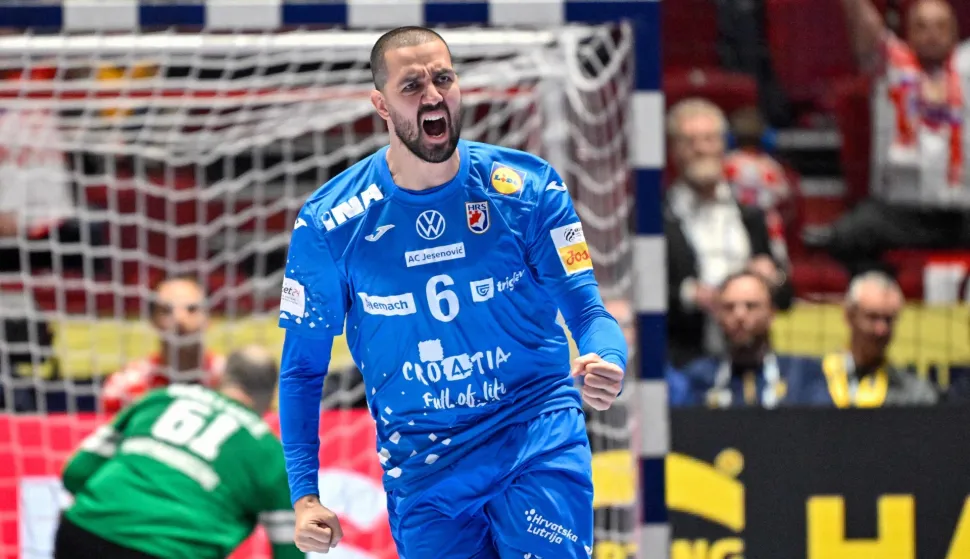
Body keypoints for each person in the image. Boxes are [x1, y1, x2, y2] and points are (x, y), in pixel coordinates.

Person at [277, 26, 627, 559]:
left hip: (533, 433)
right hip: (424, 463)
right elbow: (302, 369)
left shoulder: (526, 189)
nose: (434, 95)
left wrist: (606, 355)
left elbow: (587, 310)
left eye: (443, 78)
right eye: (412, 86)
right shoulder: (331, 224)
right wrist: (304, 495)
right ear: (381, 104)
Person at [55, 345, 303, 559]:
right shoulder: (271, 453)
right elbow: (291, 549)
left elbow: (75, 472)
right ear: (272, 397)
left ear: (220, 378)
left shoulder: (160, 399)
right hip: (172, 550)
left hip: (83, 531)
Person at [101, 275, 225, 413]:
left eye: (192, 309)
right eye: (167, 310)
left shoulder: (229, 381)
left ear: (210, 318)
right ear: (152, 320)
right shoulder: (125, 386)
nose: (180, 319)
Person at [821, 272, 938, 407]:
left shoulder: (915, 395)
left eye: (888, 320)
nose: (881, 330)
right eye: (872, 317)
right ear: (849, 316)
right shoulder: (813, 381)